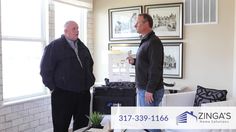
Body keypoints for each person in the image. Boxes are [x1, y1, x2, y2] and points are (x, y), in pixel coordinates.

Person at [40, 20, 95, 132]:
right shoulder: (54, 47)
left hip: (83, 94)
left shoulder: (82, 47)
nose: (77, 31)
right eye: (74, 29)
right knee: (61, 125)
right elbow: (45, 70)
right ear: (66, 31)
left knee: (82, 126)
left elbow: (90, 65)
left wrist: (89, 81)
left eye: (77, 28)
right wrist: (53, 88)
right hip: (63, 94)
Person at [127, 13, 164, 132]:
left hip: (149, 90)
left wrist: (149, 90)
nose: (135, 25)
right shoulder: (146, 40)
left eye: (138, 22)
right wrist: (134, 61)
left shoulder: (154, 42)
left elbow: (155, 68)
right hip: (145, 89)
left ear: (146, 23)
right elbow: (146, 63)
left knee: (151, 124)